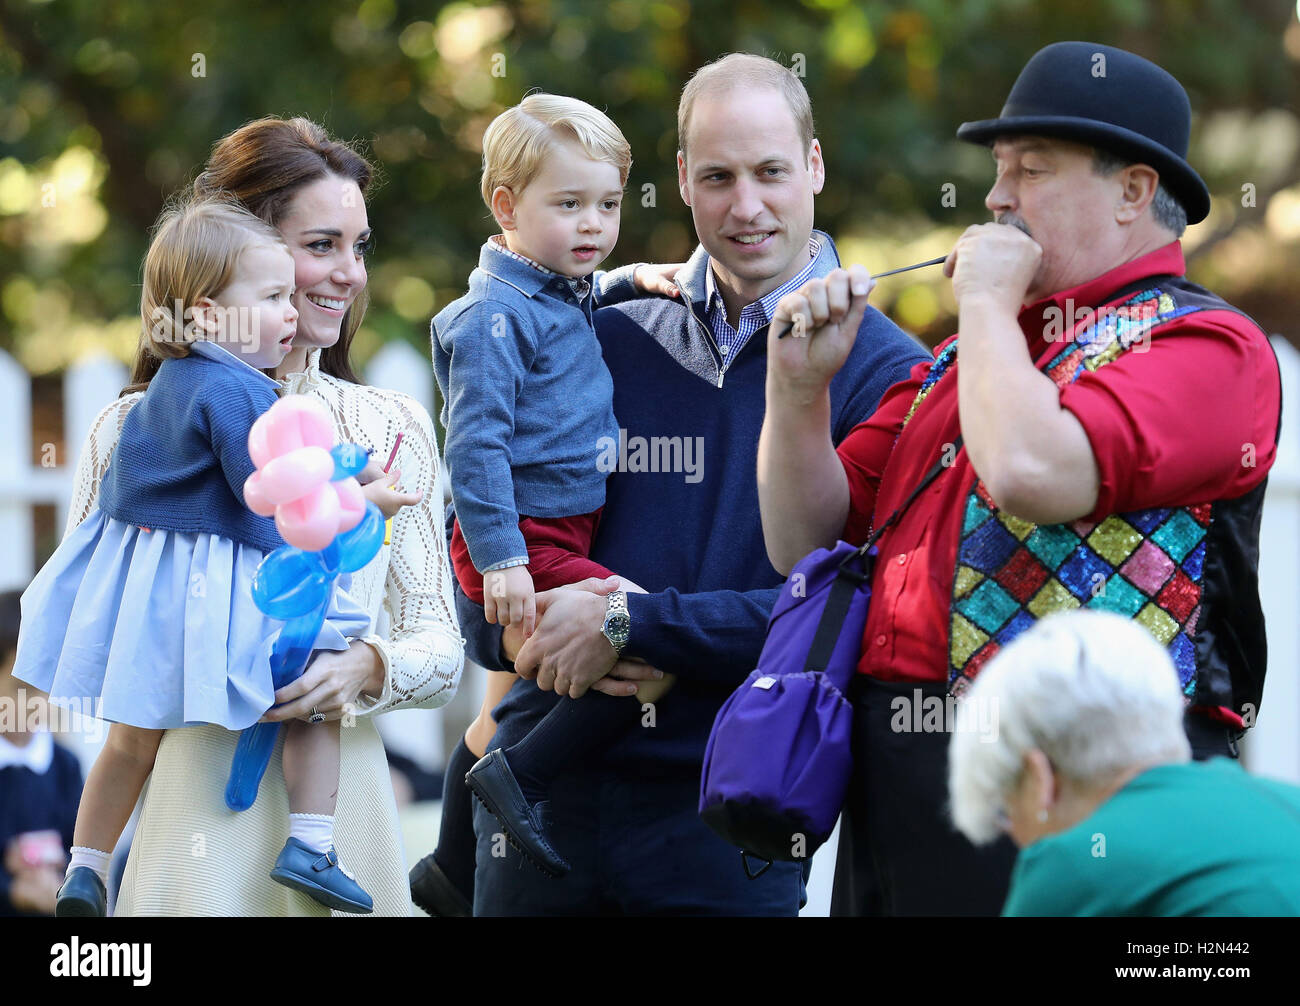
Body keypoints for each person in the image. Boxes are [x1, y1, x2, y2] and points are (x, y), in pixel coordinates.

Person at [759, 42, 1283, 916]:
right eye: (998, 172)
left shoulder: (1210, 345)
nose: (996, 200)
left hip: (1080, 783)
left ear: (1134, 192)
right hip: (898, 774)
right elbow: (801, 540)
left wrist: (992, 308)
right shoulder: (971, 355)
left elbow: (1033, 472)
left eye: (1030, 171)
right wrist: (798, 393)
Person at [439, 54, 929, 916]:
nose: (746, 206)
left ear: (813, 166)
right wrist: (518, 633)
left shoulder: (890, 373)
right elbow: (483, 543)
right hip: (540, 792)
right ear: (681, 182)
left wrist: (641, 627)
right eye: (718, 177)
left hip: (731, 813)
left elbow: (854, 610)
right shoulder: (598, 331)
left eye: (772, 171)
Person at [69, 117, 464, 916]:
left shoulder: (388, 427)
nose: (349, 273)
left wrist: (365, 668)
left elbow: (442, 647)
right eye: (321, 245)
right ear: (238, 252)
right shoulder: (128, 433)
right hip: (192, 818)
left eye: (359, 246)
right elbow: (94, 634)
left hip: (338, 814)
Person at [14, 198, 377, 915]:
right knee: (309, 696)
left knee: (128, 741)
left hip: (152, 594)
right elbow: (268, 493)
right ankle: (309, 841)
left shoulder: (162, 388)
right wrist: (362, 497)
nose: (287, 313)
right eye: (272, 298)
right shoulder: (238, 390)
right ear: (210, 316)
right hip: (222, 594)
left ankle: (85, 868)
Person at [430, 93, 682, 880]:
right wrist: (503, 561)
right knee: (639, 626)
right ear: (505, 206)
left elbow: (585, 295)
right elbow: (474, 448)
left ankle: (447, 865)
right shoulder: (488, 319)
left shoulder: (555, 290)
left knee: (546, 674)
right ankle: (521, 773)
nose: (593, 226)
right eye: (568, 205)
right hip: (519, 536)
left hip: (560, 528)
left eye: (607, 205)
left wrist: (634, 274)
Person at [950, 609, 1300, 916]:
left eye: (1004, 812)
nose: (1013, 835)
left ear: (1038, 777)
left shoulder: (1071, 863)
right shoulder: (1285, 802)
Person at [0, 591, 84, 916]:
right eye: (19, 690)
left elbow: (80, 848)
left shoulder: (66, 767)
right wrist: (14, 890)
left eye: (44, 688)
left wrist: (62, 885)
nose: (33, 704)